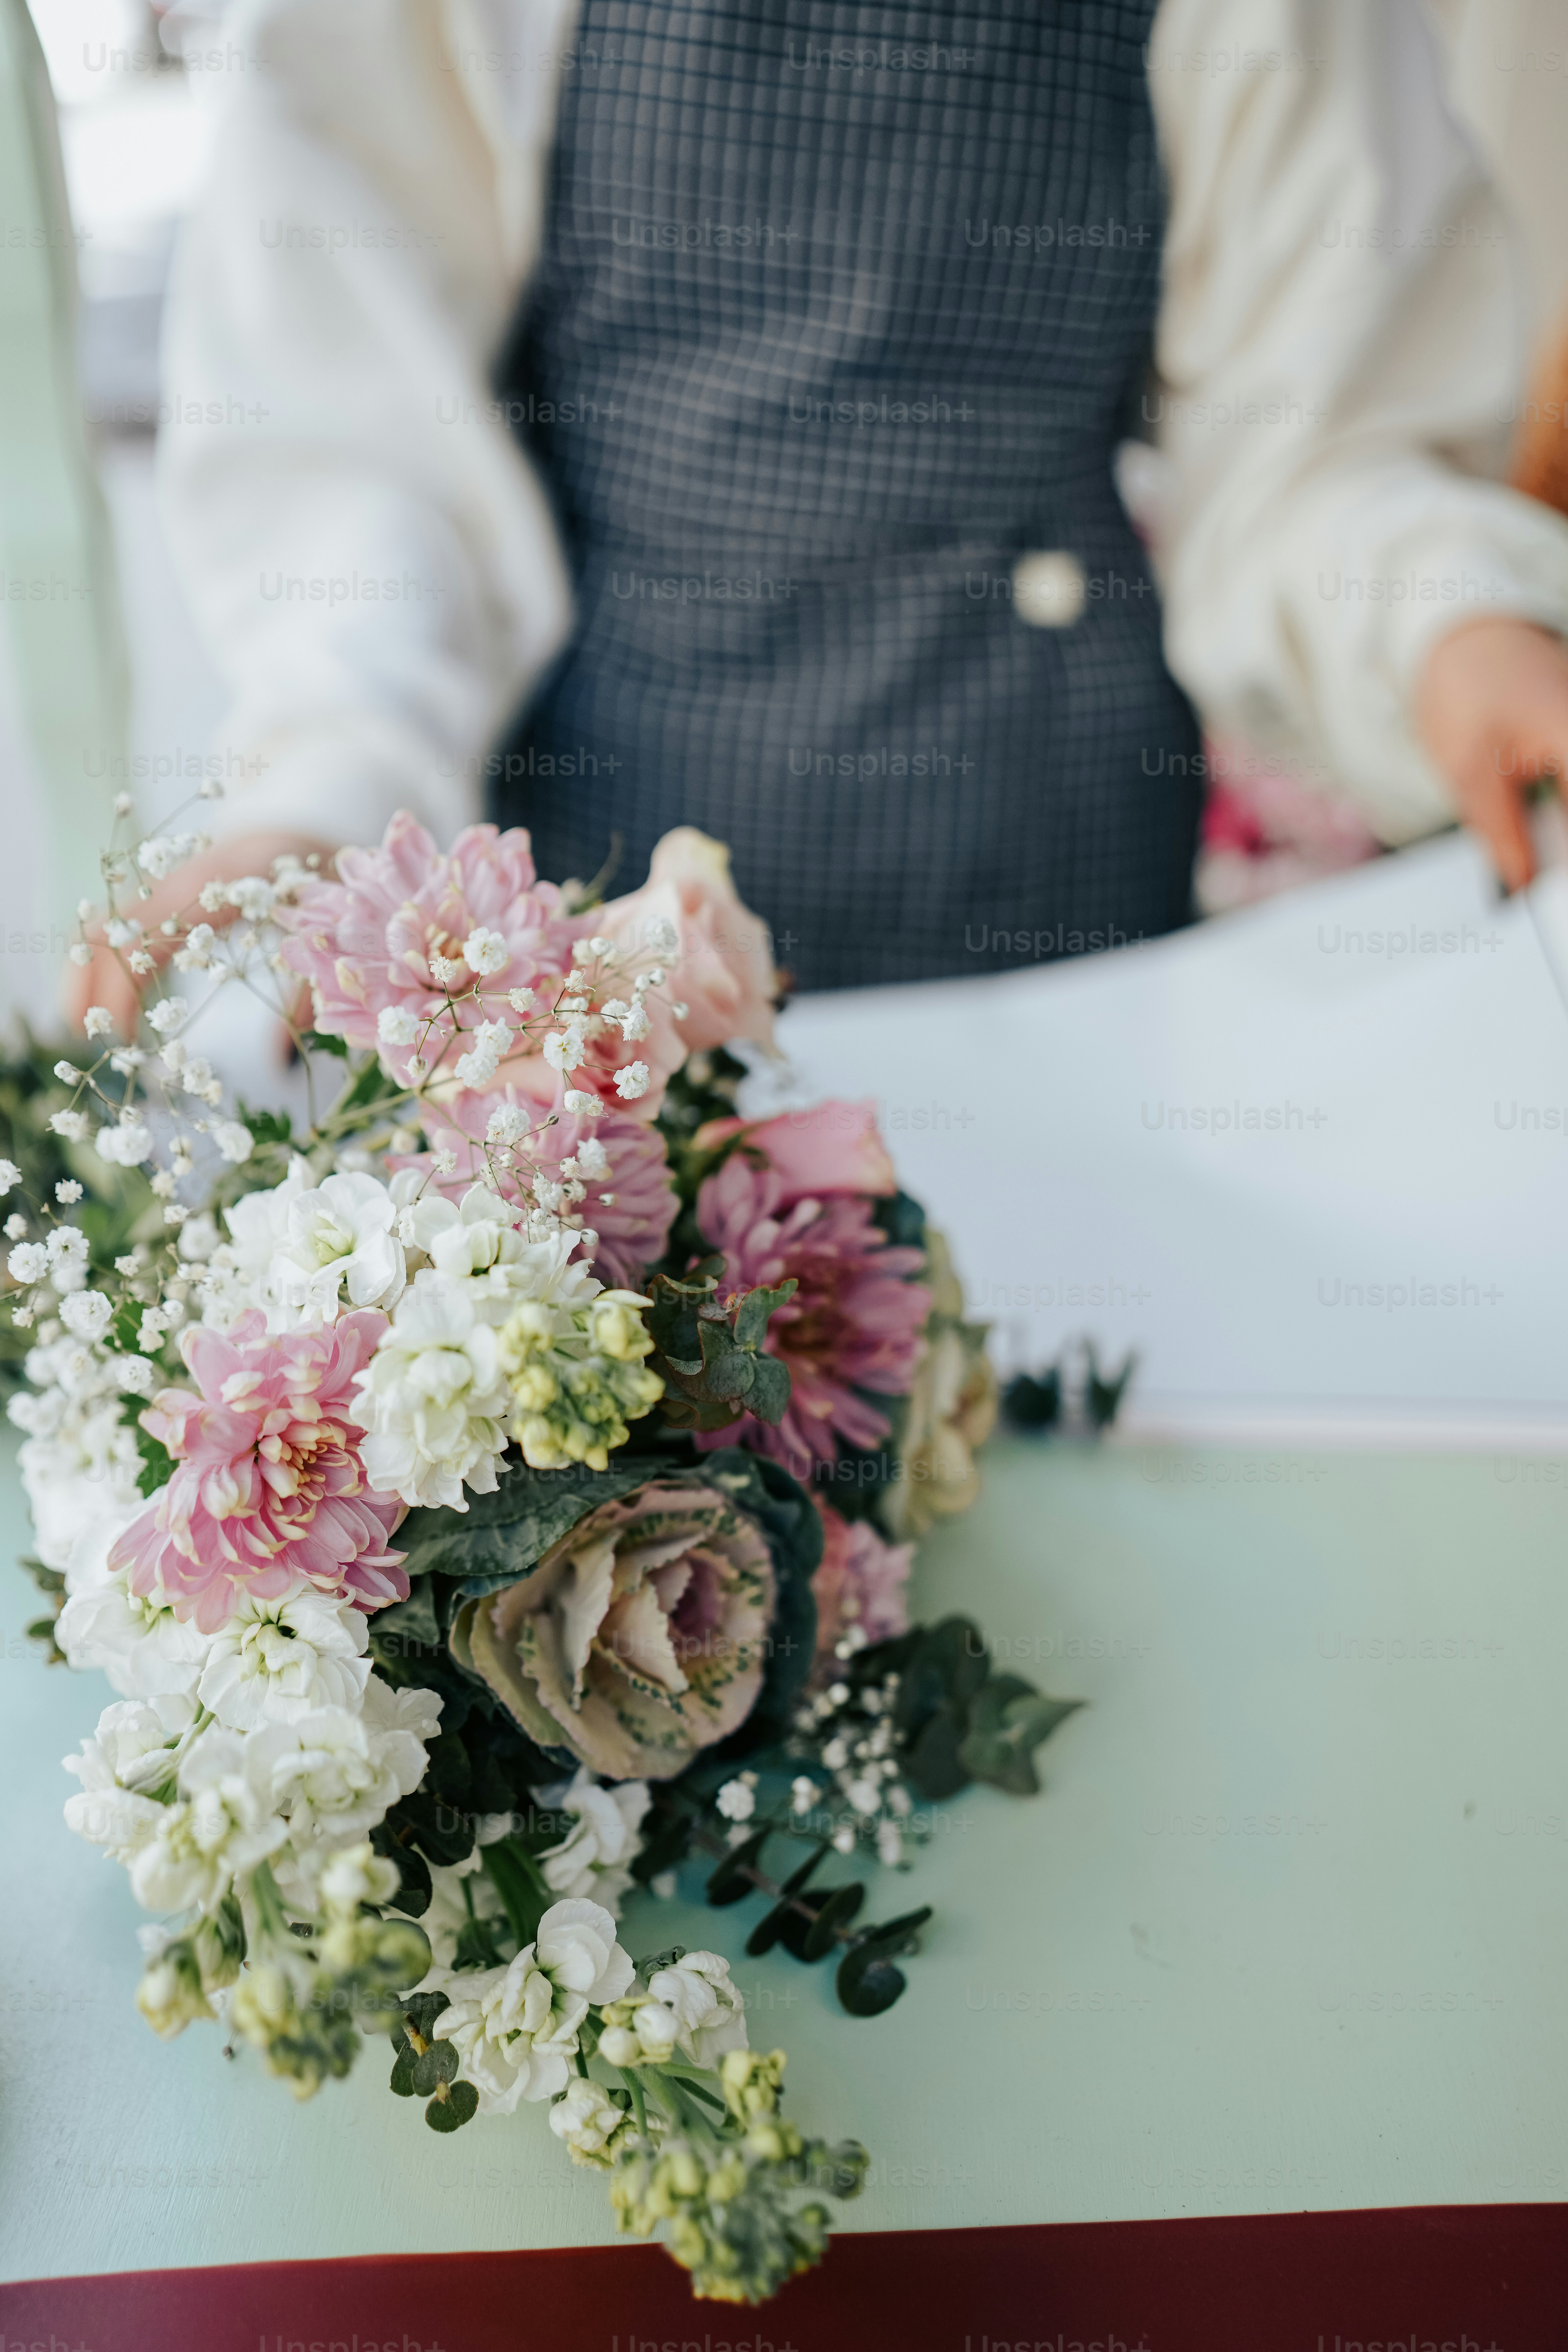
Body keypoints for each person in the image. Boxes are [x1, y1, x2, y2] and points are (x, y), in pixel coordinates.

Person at [70, 0, 1568, 1026]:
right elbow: (354, 418)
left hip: (1060, 910)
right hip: (587, 921)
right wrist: (332, 786)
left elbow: (1313, 442)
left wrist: (1452, 624)